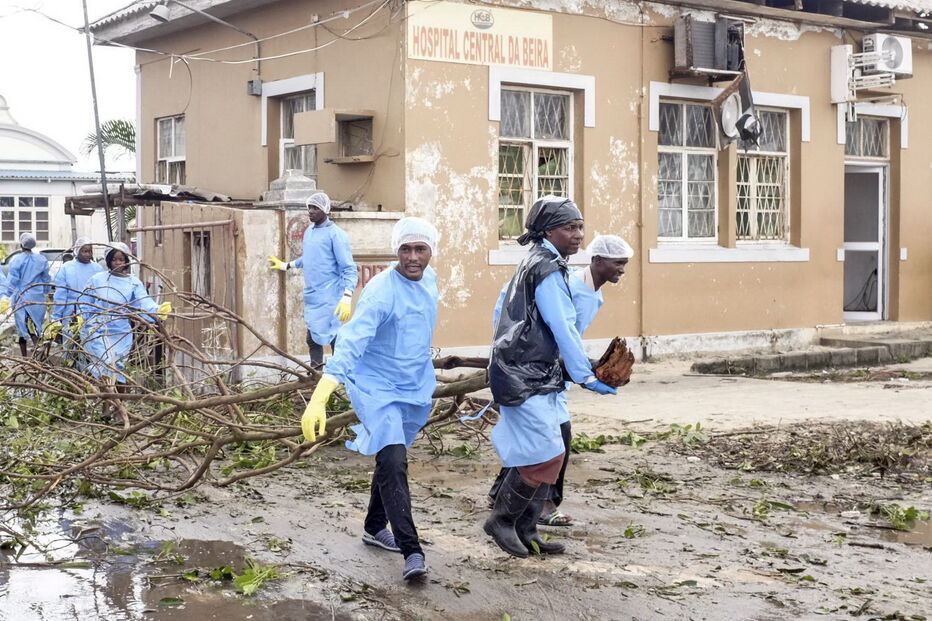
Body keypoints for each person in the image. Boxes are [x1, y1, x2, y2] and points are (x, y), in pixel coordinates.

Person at [300, 217, 439, 582]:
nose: (412, 257)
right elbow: (350, 344)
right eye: (405, 249)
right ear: (396, 251)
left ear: (430, 252)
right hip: (376, 388)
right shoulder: (381, 291)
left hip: (413, 387)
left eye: (420, 249)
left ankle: (374, 526)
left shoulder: (431, 282)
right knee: (394, 459)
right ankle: (413, 551)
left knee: (387, 453)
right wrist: (320, 396)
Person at [484, 196, 618, 559]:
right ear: (547, 231)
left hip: (535, 372)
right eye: (569, 228)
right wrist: (586, 376)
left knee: (554, 445)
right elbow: (564, 327)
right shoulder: (545, 268)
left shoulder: (543, 262)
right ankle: (502, 519)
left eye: (579, 227)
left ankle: (527, 530)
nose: (578, 235)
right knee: (545, 454)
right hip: (524, 375)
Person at [268, 191, 358, 366]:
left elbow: (349, 268)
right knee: (313, 339)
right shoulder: (309, 231)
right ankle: (315, 375)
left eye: (315, 208)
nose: (310, 211)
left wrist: (347, 297)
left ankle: (339, 375)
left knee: (334, 338)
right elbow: (310, 258)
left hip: (331, 296)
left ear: (325, 209)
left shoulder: (336, 235)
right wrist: (286, 265)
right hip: (313, 295)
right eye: (309, 207)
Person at [78, 243, 171, 385]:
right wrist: (82, 319)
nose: (117, 263)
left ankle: (116, 402)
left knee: (118, 367)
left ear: (126, 261)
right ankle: (99, 398)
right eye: (114, 259)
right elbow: (84, 302)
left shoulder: (133, 282)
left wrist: (157, 311)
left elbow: (143, 302)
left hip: (121, 333)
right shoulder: (97, 280)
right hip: (97, 330)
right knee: (103, 364)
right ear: (108, 260)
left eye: (121, 259)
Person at [45, 238, 104, 361]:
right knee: (71, 347)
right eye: (84, 251)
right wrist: (57, 317)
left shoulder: (98, 269)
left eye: (90, 251)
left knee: (92, 349)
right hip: (71, 315)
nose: (88, 254)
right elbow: (61, 294)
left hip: (93, 315)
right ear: (77, 251)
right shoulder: (67, 268)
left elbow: (102, 293)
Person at [2, 233, 51, 356]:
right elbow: (46, 279)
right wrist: (46, 292)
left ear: (21, 244)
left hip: (21, 298)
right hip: (37, 298)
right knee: (36, 326)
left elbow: (12, 280)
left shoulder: (17, 260)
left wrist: (6, 295)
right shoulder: (41, 260)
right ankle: (39, 356)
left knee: (24, 329)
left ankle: (29, 358)